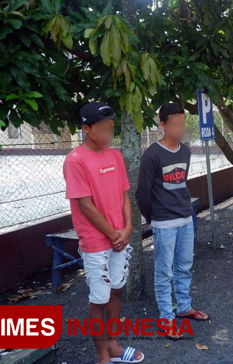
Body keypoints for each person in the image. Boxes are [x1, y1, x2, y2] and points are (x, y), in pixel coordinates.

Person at [63, 102, 144, 364]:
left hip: (120, 237)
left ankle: (114, 345)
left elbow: (124, 194)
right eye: (103, 129)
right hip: (97, 242)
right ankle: (102, 357)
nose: (109, 135)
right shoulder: (75, 160)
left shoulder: (115, 156)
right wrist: (112, 233)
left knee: (117, 289)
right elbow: (85, 205)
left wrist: (129, 227)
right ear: (87, 129)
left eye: (112, 129)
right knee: (99, 299)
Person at [136, 102, 209, 340]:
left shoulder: (185, 151)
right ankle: (166, 319)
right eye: (175, 124)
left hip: (186, 219)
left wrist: (183, 213)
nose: (180, 129)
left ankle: (184, 307)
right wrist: (154, 218)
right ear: (163, 125)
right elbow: (143, 194)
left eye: (183, 124)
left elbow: (180, 186)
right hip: (163, 223)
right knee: (164, 273)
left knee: (184, 267)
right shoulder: (152, 156)